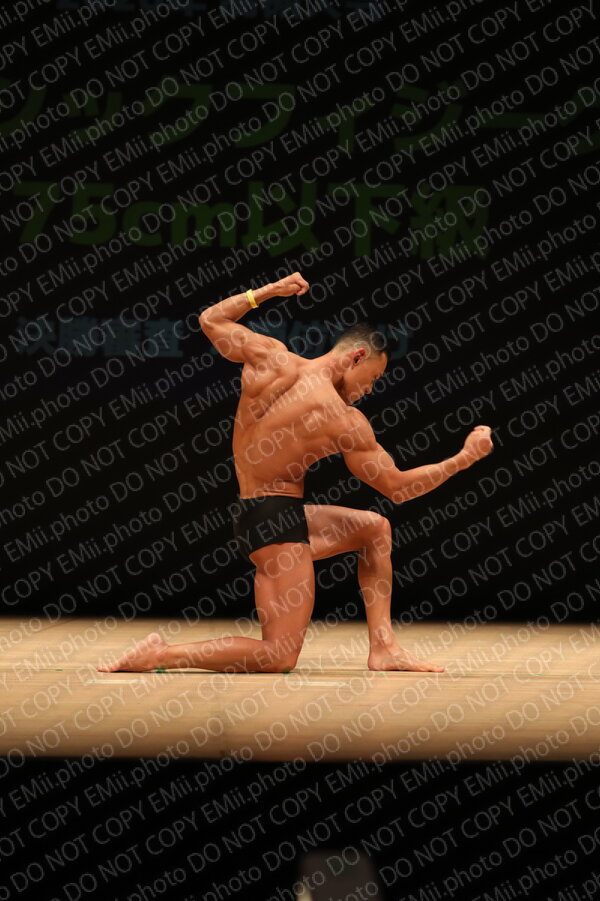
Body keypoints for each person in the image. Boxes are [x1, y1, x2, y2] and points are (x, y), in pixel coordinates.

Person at [99, 272, 493, 674]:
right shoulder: (344, 420)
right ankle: (162, 654)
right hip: (276, 526)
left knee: (375, 529)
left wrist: (267, 291)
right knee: (278, 656)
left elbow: (211, 319)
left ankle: (384, 647)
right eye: (373, 378)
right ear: (356, 357)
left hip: (262, 516)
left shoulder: (272, 359)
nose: (370, 389)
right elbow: (398, 487)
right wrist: (462, 459)